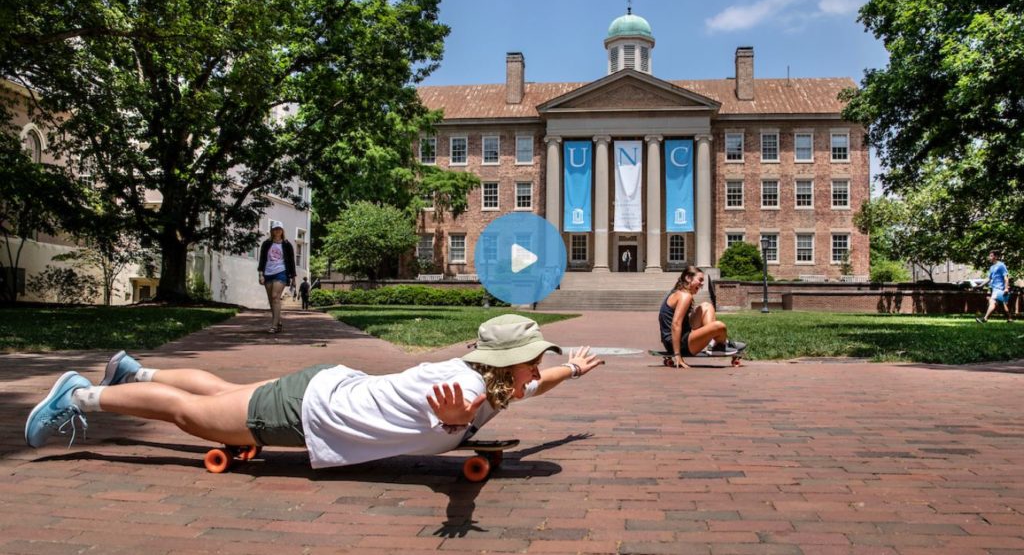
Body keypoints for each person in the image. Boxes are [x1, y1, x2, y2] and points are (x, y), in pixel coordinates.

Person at [24, 315, 604, 470]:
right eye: (533, 363)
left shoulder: (497, 383)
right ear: (507, 363)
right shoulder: (465, 390)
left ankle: (135, 373)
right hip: (310, 411)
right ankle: (80, 397)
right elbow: (453, 415)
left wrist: (572, 371)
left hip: (328, 389)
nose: (537, 372)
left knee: (222, 392)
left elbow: (534, 389)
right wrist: (454, 422)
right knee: (191, 416)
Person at [658, 265, 745, 368]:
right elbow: (676, 324)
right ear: (688, 278)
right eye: (700, 280)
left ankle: (714, 343)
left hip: (677, 339)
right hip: (679, 345)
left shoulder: (678, 293)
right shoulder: (685, 296)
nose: (702, 283)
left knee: (706, 306)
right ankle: (720, 344)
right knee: (719, 326)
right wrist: (677, 355)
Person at [257, 220, 296, 333]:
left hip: (281, 272)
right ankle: (278, 322)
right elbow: (262, 259)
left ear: (282, 230)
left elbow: (291, 261)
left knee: (275, 297)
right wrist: (260, 274)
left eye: (279, 229)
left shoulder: (287, 244)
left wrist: (293, 277)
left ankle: (273, 326)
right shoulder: (266, 244)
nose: (277, 231)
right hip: (268, 272)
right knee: (271, 300)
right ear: (272, 231)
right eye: (275, 229)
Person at [976, 250, 1014, 323]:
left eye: (991, 256)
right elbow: (989, 278)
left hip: (999, 288)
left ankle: (985, 318)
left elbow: (1006, 278)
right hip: (994, 288)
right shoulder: (992, 267)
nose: (989, 257)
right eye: (989, 256)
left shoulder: (1001, 265)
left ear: (996, 257)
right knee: (1002, 304)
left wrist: (1006, 288)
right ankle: (1010, 319)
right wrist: (980, 285)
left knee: (992, 302)